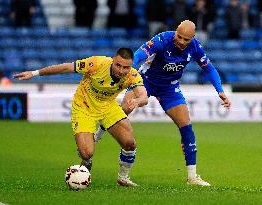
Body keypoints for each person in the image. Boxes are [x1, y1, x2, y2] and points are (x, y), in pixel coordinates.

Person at [94, 20, 231, 186]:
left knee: (187, 127)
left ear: (192, 38)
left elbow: (209, 69)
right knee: (123, 110)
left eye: (185, 39)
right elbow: (137, 56)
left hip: (169, 88)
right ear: (175, 32)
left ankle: (192, 177)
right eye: (178, 36)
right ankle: (99, 133)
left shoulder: (195, 47)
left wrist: (220, 91)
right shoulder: (162, 40)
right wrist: (130, 75)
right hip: (145, 81)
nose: (180, 41)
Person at [13, 48, 148, 187]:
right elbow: (66, 68)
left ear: (131, 66)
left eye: (126, 67)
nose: (121, 70)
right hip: (84, 106)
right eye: (118, 65)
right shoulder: (97, 63)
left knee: (130, 143)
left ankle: (123, 177)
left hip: (108, 106)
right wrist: (35, 73)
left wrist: (137, 101)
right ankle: (86, 163)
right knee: (86, 153)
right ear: (113, 60)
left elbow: (144, 96)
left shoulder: (132, 75)